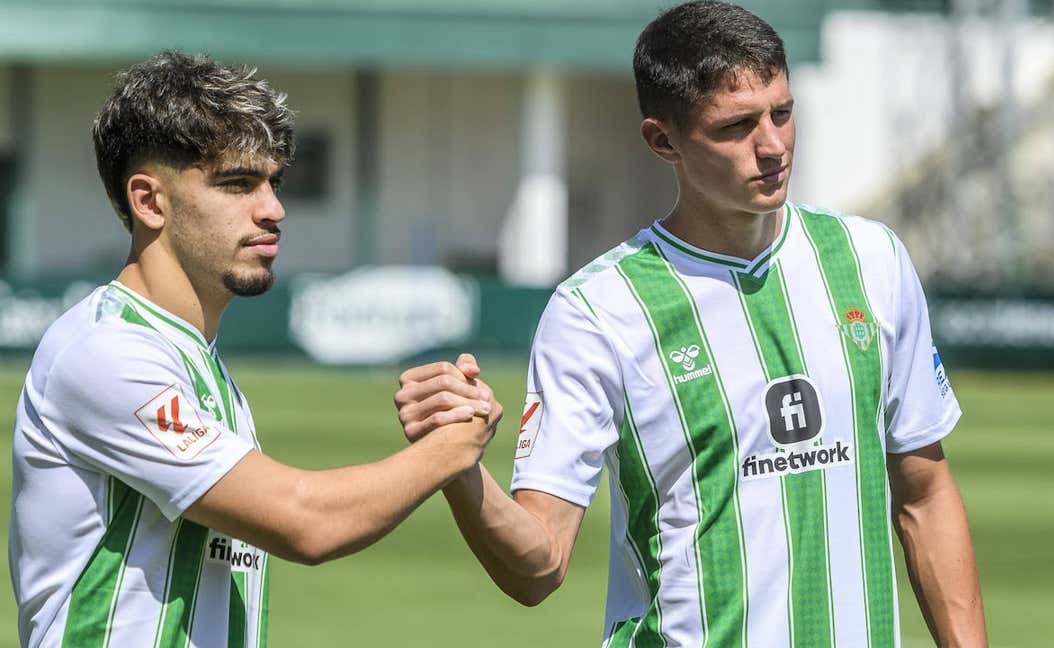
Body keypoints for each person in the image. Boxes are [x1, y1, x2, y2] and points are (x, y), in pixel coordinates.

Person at [396, 2, 987, 646]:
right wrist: (456, 466)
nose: (772, 145)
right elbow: (537, 566)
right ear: (663, 140)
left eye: (782, 113)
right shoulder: (598, 311)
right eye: (736, 126)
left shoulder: (872, 259)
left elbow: (926, 497)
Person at [8, 51, 500, 648]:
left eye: (273, 182)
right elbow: (306, 523)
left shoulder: (192, 356)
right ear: (150, 201)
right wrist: (453, 445)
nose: (273, 209)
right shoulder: (107, 352)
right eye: (238, 183)